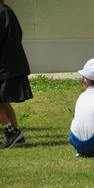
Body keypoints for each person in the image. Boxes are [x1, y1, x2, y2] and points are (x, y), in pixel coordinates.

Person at [0, 0, 33, 149]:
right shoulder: (7, 11)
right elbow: (18, 34)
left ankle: (11, 132)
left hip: (5, 64)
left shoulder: (3, 12)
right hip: (9, 64)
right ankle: (17, 134)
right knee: (2, 101)